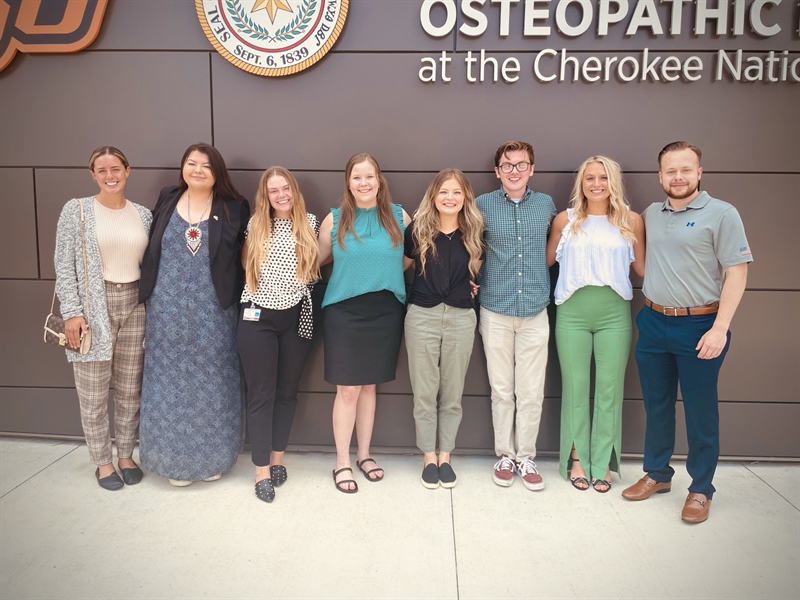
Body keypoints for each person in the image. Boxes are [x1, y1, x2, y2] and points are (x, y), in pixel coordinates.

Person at [622, 141, 752, 524]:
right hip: (654, 321)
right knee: (657, 406)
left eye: (685, 170)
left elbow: (738, 273)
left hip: (700, 326)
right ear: (660, 176)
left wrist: (720, 329)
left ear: (699, 172)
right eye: (670, 171)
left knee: (700, 412)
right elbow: (644, 269)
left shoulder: (722, 214)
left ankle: (700, 490)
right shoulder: (651, 214)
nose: (677, 177)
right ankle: (658, 474)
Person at [138, 142, 250, 487]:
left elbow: (244, 258)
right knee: (165, 381)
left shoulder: (234, 206)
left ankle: (212, 459)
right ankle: (169, 460)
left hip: (214, 310)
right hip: (165, 307)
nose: (197, 170)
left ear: (217, 173)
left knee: (214, 383)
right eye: (191, 163)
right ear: (183, 168)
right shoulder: (168, 197)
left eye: (205, 165)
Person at [54, 146, 152, 491]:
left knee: (129, 389)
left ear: (128, 171)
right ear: (93, 174)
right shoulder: (77, 210)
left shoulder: (143, 214)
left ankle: (126, 455)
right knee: (94, 392)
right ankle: (103, 461)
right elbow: (63, 265)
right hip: (92, 307)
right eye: (101, 170)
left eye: (116, 169)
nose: (110, 176)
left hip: (135, 304)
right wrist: (73, 313)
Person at [546, 156, 644, 493]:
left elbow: (644, 269)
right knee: (575, 389)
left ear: (613, 182)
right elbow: (542, 262)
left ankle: (602, 462)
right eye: (590, 178)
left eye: (603, 177)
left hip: (614, 314)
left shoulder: (631, 221)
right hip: (572, 312)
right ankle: (577, 460)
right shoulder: (565, 220)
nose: (597, 183)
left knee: (608, 390)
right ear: (581, 183)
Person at [318, 152, 411, 494]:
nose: (364, 183)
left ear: (379, 180)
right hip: (344, 311)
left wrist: (380, 277)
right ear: (348, 182)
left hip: (385, 310)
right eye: (357, 177)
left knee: (370, 386)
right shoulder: (335, 218)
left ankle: (364, 455)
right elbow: (316, 260)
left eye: (369, 176)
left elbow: (412, 256)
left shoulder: (399, 215)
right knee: (347, 389)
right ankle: (342, 461)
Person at [476, 140, 557, 491]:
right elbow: (472, 248)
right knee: (501, 389)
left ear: (532, 169)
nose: (514, 171)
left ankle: (526, 456)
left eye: (521, 165)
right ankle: (505, 455)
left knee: (531, 391)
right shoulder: (481, 205)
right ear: (497, 171)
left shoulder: (546, 205)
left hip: (535, 311)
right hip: (495, 309)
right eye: (507, 165)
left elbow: (551, 253)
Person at [237, 167, 320, 503]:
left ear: (294, 190)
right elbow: (245, 266)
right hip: (258, 319)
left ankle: (277, 459)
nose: (281, 195)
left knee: (287, 392)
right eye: (274, 191)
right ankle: (260, 471)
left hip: (296, 317)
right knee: (261, 395)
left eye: (286, 188)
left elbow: (318, 263)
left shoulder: (311, 223)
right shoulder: (255, 225)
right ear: (266, 195)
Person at [404, 169, 484, 489]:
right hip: (422, 316)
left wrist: (471, 287)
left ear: (465, 197)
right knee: (425, 392)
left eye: (456, 192)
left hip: (461, 318)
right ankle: (428, 457)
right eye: (444, 192)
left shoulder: (474, 232)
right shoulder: (418, 231)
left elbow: (475, 273)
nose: (450, 198)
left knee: (452, 393)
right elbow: (402, 270)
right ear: (434, 196)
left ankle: (445, 455)